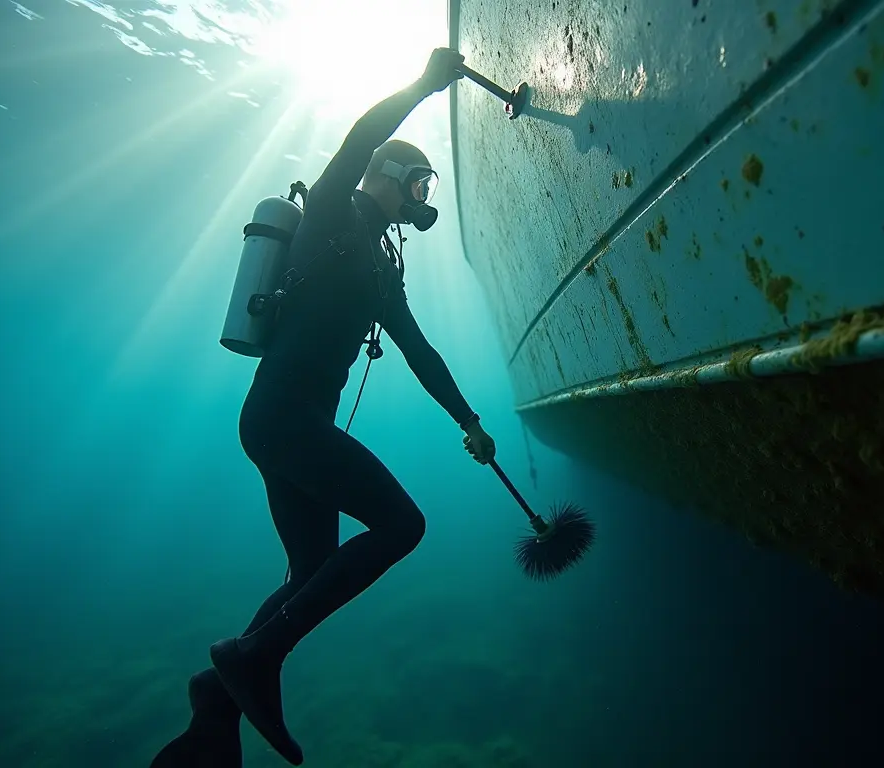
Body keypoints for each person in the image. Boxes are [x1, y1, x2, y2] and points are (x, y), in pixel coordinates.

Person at [151, 47, 496, 768]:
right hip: (281, 417)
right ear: (392, 178)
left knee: (311, 564)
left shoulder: (381, 262)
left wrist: (469, 420)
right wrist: (423, 85)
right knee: (402, 524)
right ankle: (251, 660)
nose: (424, 192)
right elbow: (360, 138)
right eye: (421, 180)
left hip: (288, 425)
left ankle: (215, 704)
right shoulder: (333, 210)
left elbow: (420, 352)